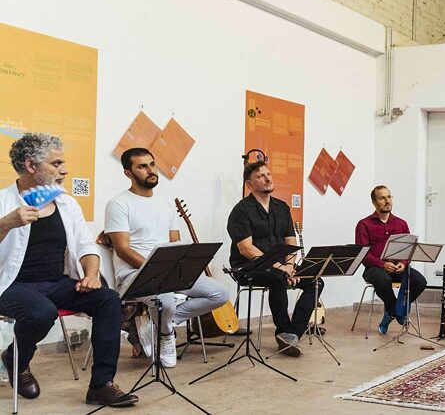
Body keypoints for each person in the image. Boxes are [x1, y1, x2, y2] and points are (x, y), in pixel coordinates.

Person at [0, 133, 138, 407]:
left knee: (108, 299)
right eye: (56, 164)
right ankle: (17, 359)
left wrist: (90, 274)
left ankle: (101, 385)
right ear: (31, 166)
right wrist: (6, 223)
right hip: (11, 285)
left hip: (56, 282)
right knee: (42, 312)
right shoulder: (4, 202)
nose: (64, 170)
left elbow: (87, 246)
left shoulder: (67, 204)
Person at [104, 148, 231, 367]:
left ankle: (162, 325)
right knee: (165, 299)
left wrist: (182, 267)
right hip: (133, 275)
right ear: (128, 173)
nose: (150, 170)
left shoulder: (165, 204)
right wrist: (156, 270)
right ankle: (165, 336)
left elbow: (174, 243)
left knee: (220, 293)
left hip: (168, 272)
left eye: (152, 164)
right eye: (142, 166)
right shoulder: (118, 203)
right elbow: (123, 249)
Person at [227, 161, 323, 357]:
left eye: (268, 174)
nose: (267, 178)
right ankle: (283, 330)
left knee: (316, 281)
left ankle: (292, 334)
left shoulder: (282, 208)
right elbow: (246, 249)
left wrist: (289, 265)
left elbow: (291, 241)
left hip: (282, 267)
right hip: (248, 268)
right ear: (249, 184)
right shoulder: (241, 210)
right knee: (278, 278)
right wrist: (280, 267)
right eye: (260, 176)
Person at [355, 185, 427, 334]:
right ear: (374, 202)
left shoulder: (401, 224)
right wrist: (382, 264)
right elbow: (363, 254)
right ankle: (396, 310)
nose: (387, 201)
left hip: (397, 267)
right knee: (383, 280)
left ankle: (392, 312)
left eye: (389, 197)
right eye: (382, 198)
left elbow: (408, 249)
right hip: (374, 268)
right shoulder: (364, 224)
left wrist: (403, 263)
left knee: (419, 281)